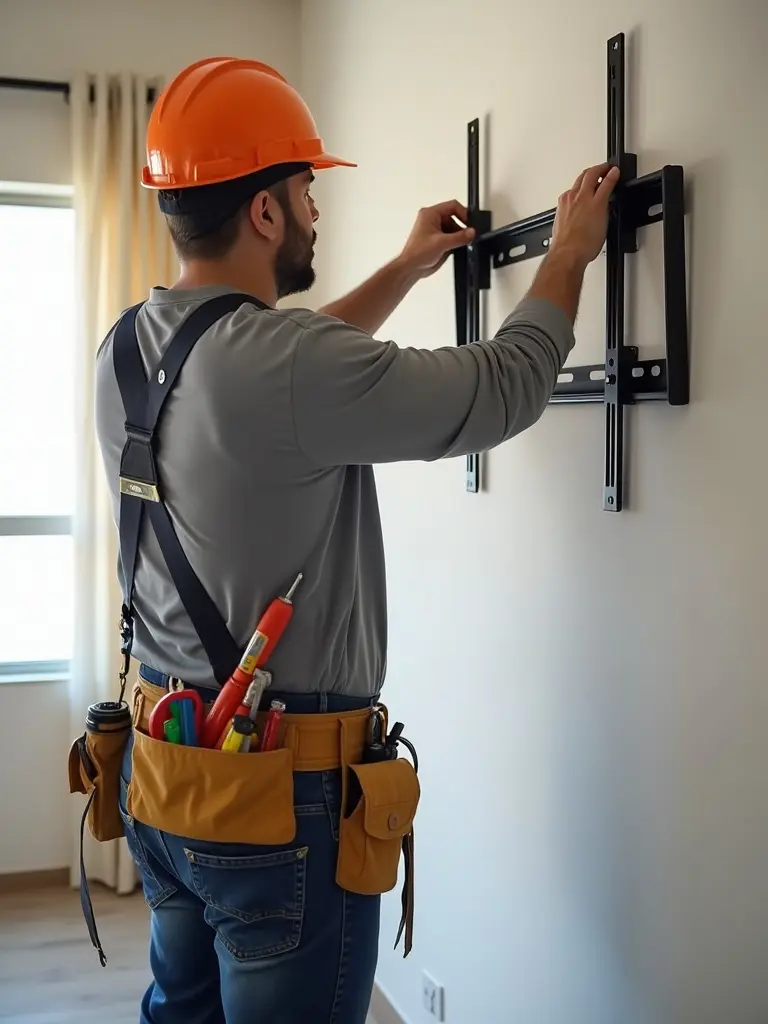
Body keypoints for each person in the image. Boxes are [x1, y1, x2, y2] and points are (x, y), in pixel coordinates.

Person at [93, 57, 619, 1024]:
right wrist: (571, 254)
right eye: (304, 189)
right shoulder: (281, 365)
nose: (313, 209)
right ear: (264, 213)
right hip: (275, 807)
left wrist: (406, 269)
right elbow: (505, 386)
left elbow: (269, 383)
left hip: (165, 775)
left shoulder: (128, 349)